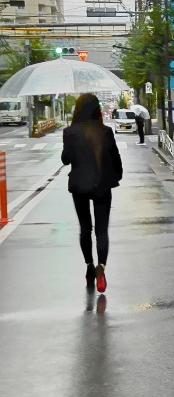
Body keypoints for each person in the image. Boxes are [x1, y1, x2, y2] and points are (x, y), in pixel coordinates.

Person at [61, 93, 123, 294]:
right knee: (102, 231)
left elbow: (65, 159)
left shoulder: (70, 132)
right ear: (97, 110)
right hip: (102, 185)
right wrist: (117, 176)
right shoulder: (105, 131)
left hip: (79, 185)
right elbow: (115, 157)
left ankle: (88, 266)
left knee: (85, 228)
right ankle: (101, 268)